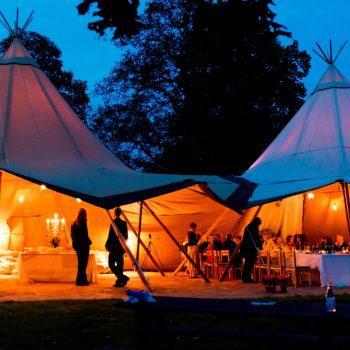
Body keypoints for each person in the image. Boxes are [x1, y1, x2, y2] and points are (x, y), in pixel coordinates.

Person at [105, 207, 129, 287]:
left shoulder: (113, 223)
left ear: (115, 213)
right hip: (120, 247)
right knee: (120, 265)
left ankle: (121, 279)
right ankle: (121, 279)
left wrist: (107, 245)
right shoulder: (124, 223)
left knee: (111, 264)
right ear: (121, 213)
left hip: (113, 247)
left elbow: (110, 235)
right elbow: (126, 237)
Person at [71, 208, 92, 286]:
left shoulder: (74, 223)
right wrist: (89, 243)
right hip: (84, 246)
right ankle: (81, 281)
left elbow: (72, 236)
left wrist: (75, 245)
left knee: (80, 264)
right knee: (83, 264)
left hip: (78, 246)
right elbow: (85, 235)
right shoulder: (83, 223)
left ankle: (81, 280)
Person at [240, 217, 262, 283]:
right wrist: (260, 247)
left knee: (247, 263)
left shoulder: (248, 227)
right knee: (249, 263)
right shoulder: (253, 228)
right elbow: (256, 238)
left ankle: (245, 277)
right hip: (250, 248)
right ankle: (247, 278)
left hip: (247, 248)